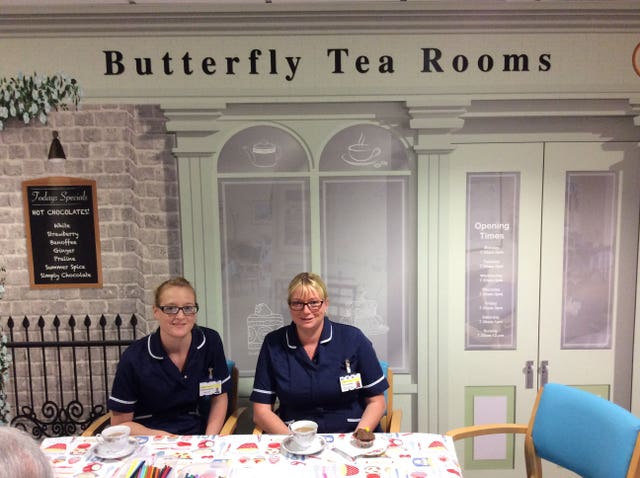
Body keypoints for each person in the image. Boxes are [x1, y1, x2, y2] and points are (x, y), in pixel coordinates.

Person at [251, 272, 388, 434]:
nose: (306, 310)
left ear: (325, 304)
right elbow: (261, 412)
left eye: (314, 303)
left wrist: (360, 434)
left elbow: (377, 402)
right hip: (294, 435)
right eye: (297, 303)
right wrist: (294, 441)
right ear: (289, 306)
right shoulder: (273, 344)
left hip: (351, 433)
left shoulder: (353, 339)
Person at [108, 277, 231, 435]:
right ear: (156, 312)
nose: (180, 316)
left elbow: (219, 397)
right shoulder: (134, 357)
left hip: (195, 437)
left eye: (188, 308)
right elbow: (120, 424)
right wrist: (167, 439)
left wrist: (209, 441)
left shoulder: (210, 342)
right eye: (171, 308)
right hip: (147, 438)